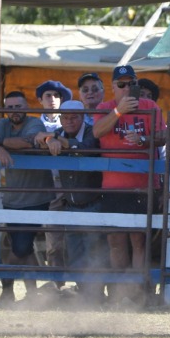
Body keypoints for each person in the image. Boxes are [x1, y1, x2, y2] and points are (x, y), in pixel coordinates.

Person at [93, 65, 166, 306]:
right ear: (113, 87)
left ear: (136, 84)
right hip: (112, 185)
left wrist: (145, 140)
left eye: (130, 83)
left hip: (142, 185)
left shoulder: (150, 107)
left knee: (139, 240)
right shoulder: (104, 108)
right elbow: (96, 132)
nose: (126, 88)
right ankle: (119, 291)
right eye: (121, 84)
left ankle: (138, 293)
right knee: (115, 241)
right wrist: (118, 111)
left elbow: (164, 136)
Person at [35, 99, 107, 304]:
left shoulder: (93, 132)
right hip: (72, 204)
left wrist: (57, 140)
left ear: (82, 117)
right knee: (75, 252)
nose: (69, 121)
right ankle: (85, 295)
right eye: (65, 117)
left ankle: (95, 295)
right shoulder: (58, 132)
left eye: (74, 117)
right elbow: (38, 137)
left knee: (94, 250)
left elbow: (85, 147)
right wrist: (49, 139)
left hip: (93, 202)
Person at [0, 92, 55, 304]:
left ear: (26, 106)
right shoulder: (2, 124)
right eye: (9, 107)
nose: (13, 111)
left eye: (17, 106)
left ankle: (7, 290)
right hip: (12, 198)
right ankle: (31, 293)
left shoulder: (34, 123)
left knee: (20, 247)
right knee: (24, 247)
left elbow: (28, 143)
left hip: (36, 196)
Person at [35, 80, 73, 284]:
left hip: (72, 184)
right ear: (40, 100)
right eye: (48, 96)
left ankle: (83, 285)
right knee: (54, 239)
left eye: (56, 96)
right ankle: (57, 282)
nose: (52, 100)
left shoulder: (69, 122)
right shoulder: (34, 125)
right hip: (47, 185)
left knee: (78, 236)